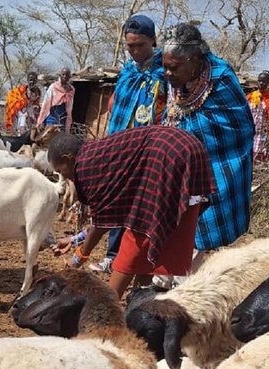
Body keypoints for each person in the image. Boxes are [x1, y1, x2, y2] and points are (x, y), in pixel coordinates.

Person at [48, 126, 215, 298]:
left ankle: (106, 309)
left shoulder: (85, 168)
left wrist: (79, 257)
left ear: (68, 159)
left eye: (61, 171)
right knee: (152, 240)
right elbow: (107, 217)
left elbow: (100, 224)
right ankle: (141, 300)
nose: (65, 177)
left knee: (138, 238)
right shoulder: (94, 155)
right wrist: (76, 239)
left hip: (167, 155)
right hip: (187, 150)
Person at [162, 23, 254, 269]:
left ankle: (186, 278)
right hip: (178, 164)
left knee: (197, 228)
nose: (168, 74)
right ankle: (165, 276)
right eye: (165, 68)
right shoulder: (173, 81)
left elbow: (240, 128)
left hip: (215, 164)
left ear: (193, 61)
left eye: (173, 68)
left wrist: (190, 143)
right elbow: (171, 114)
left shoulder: (221, 78)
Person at [91, 13, 168, 274]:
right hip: (120, 149)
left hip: (148, 152)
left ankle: (138, 261)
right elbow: (116, 113)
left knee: (140, 208)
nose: (135, 51)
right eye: (130, 46)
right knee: (116, 202)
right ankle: (112, 256)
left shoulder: (165, 73)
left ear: (153, 41)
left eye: (140, 45)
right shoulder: (126, 72)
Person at [246, 70, 269, 162]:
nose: (261, 83)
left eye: (264, 81)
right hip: (248, 135)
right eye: (259, 81)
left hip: (262, 137)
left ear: (268, 83)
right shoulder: (250, 97)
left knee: (259, 162)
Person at [37, 68, 75, 133]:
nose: (65, 77)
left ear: (69, 77)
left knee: (61, 138)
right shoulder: (54, 87)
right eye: (63, 74)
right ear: (60, 75)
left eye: (67, 75)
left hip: (63, 117)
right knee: (49, 136)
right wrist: (41, 120)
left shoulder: (71, 90)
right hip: (52, 116)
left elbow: (70, 106)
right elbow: (46, 103)